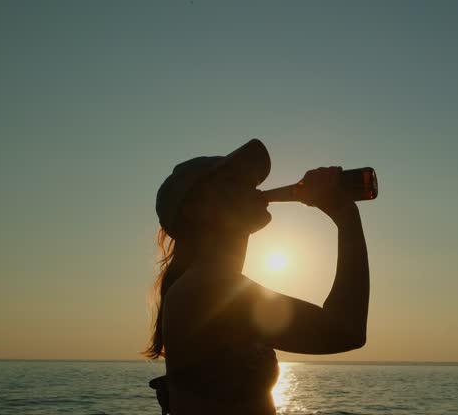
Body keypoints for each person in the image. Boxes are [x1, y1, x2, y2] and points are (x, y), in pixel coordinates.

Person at [145, 139, 370, 414]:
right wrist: (345, 214)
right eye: (233, 180)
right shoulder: (207, 288)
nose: (253, 187)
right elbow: (344, 331)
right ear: (197, 209)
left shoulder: (211, 284)